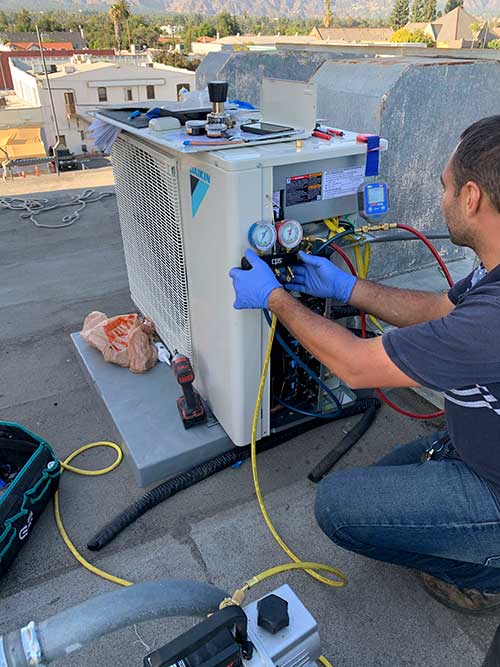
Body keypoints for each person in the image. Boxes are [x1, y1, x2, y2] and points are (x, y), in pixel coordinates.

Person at [229, 116, 500, 615]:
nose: (440, 199)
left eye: (444, 187)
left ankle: (485, 574)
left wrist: (275, 299)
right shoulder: (492, 271)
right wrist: (347, 288)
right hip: (479, 447)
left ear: (470, 197)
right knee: (383, 484)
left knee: (339, 507)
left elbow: (355, 367)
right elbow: (442, 310)